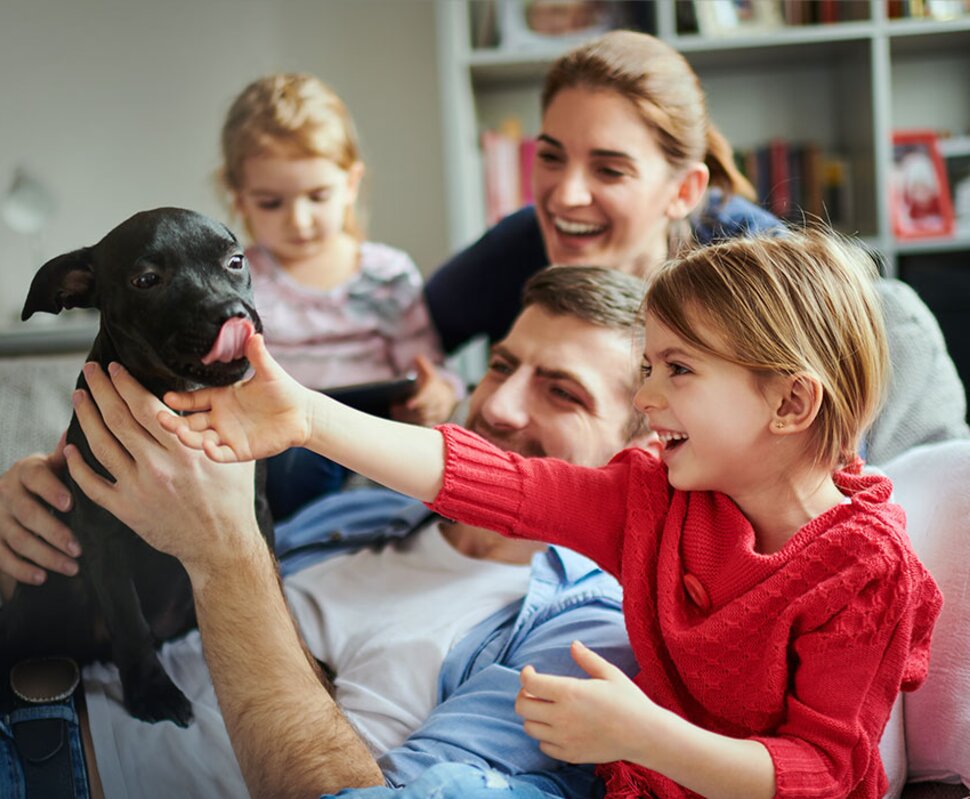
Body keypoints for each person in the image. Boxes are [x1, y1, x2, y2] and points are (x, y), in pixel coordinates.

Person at [159, 229, 943, 799]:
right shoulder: (657, 499)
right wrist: (307, 415)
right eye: (646, 367)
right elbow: (501, 481)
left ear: (790, 400)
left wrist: (643, 735)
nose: (646, 399)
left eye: (678, 370)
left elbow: (828, 773)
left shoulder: (863, 568)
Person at [0, 266, 653, 799]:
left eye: (562, 393)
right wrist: (34, 529)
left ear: (642, 446)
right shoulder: (368, 514)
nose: (499, 405)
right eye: (501, 366)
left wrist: (225, 554)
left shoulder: (584, 633)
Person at [418, 29, 969, 466]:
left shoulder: (763, 280)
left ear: (684, 191)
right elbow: (404, 335)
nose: (566, 194)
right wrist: (438, 392)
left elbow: (834, 460)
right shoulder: (523, 239)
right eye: (551, 156)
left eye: (609, 169)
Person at [220, 72, 463, 517]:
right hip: (287, 445)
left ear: (351, 184)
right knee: (295, 459)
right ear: (238, 196)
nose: (299, 220)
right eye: (271, 203)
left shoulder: (386, 273)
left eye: (317, 196)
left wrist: (437, 394)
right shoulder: (238, 281)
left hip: (376, 437)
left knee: (435, 459)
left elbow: (431, 367)